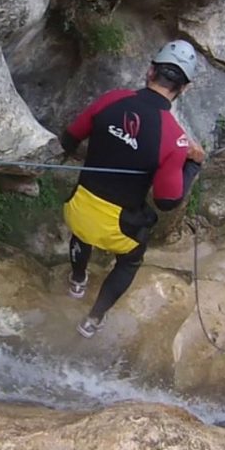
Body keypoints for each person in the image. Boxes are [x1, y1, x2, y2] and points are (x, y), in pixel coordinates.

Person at [60, 40, 205, 338]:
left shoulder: (111, 99)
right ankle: (93, 319)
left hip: (78, 207)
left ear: (150, 71)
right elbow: (167, 201)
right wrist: (193, 165)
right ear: (185, 88)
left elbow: (70, 137)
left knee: (83, 226)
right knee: (130, 260)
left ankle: (77, 280)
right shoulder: (175, 139)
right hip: (116, 229)